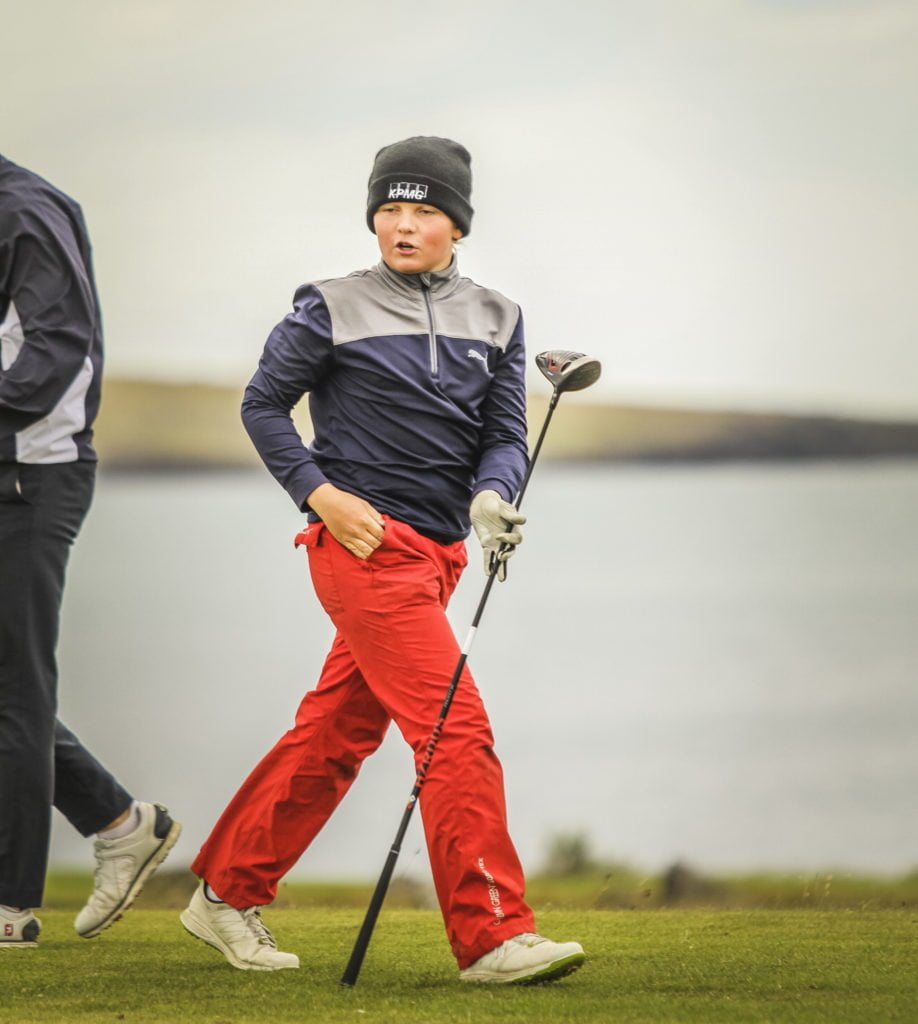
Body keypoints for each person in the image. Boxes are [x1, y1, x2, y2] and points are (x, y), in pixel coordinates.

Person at [180, 136, 585, 983]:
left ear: (457, 225)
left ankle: (225, 890)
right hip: (361, 546)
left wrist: (492, 496)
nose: (402, 225)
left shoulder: (498, 316)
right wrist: (318, 494)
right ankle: (492, 935)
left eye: (423, 211)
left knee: (336, 733)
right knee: (456, 730)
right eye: (389, 209)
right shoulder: (330, 304)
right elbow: (263, 404)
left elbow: (503, 434)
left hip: (439, 554)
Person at [0, 156, 181, 948]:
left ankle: (8, 906)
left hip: (29, 479)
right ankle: (119, 823)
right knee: (8, 685)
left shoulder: (23, 213)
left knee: (15, 686)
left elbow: (55, 355)